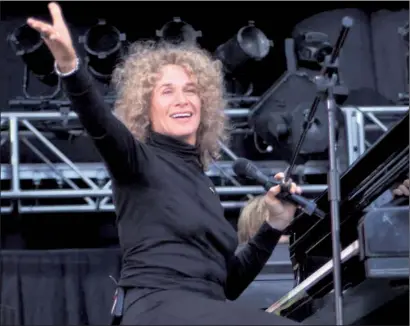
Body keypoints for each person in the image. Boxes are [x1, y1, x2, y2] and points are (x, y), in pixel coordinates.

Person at [27, 3, 304, 325]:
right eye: (166, 92)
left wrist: (273, 226)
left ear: (205, 102)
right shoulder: (136, 159)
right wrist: (70, 67)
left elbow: (227, 286)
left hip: (205, 309)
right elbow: (98, 122)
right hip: (158, 308)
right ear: (146, 108)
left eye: (190, 90)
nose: (182, 100)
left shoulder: (203, 182)